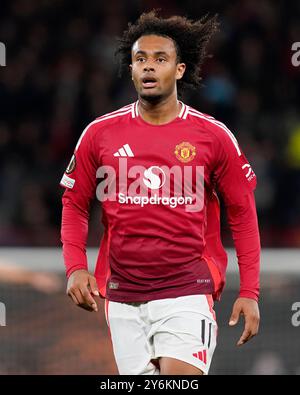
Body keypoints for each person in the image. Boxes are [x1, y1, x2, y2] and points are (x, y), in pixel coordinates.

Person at [60, 10, 260, 375]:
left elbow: (243, 212)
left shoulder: (211, 136)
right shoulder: (99, 134)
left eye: (160, 59)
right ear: (132, 70)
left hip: (187, 289)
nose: (149, 67)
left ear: (179, 70)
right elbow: (73, 203)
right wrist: (75, 267)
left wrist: (250, 291)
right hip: (122, 294)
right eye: (141, 59)